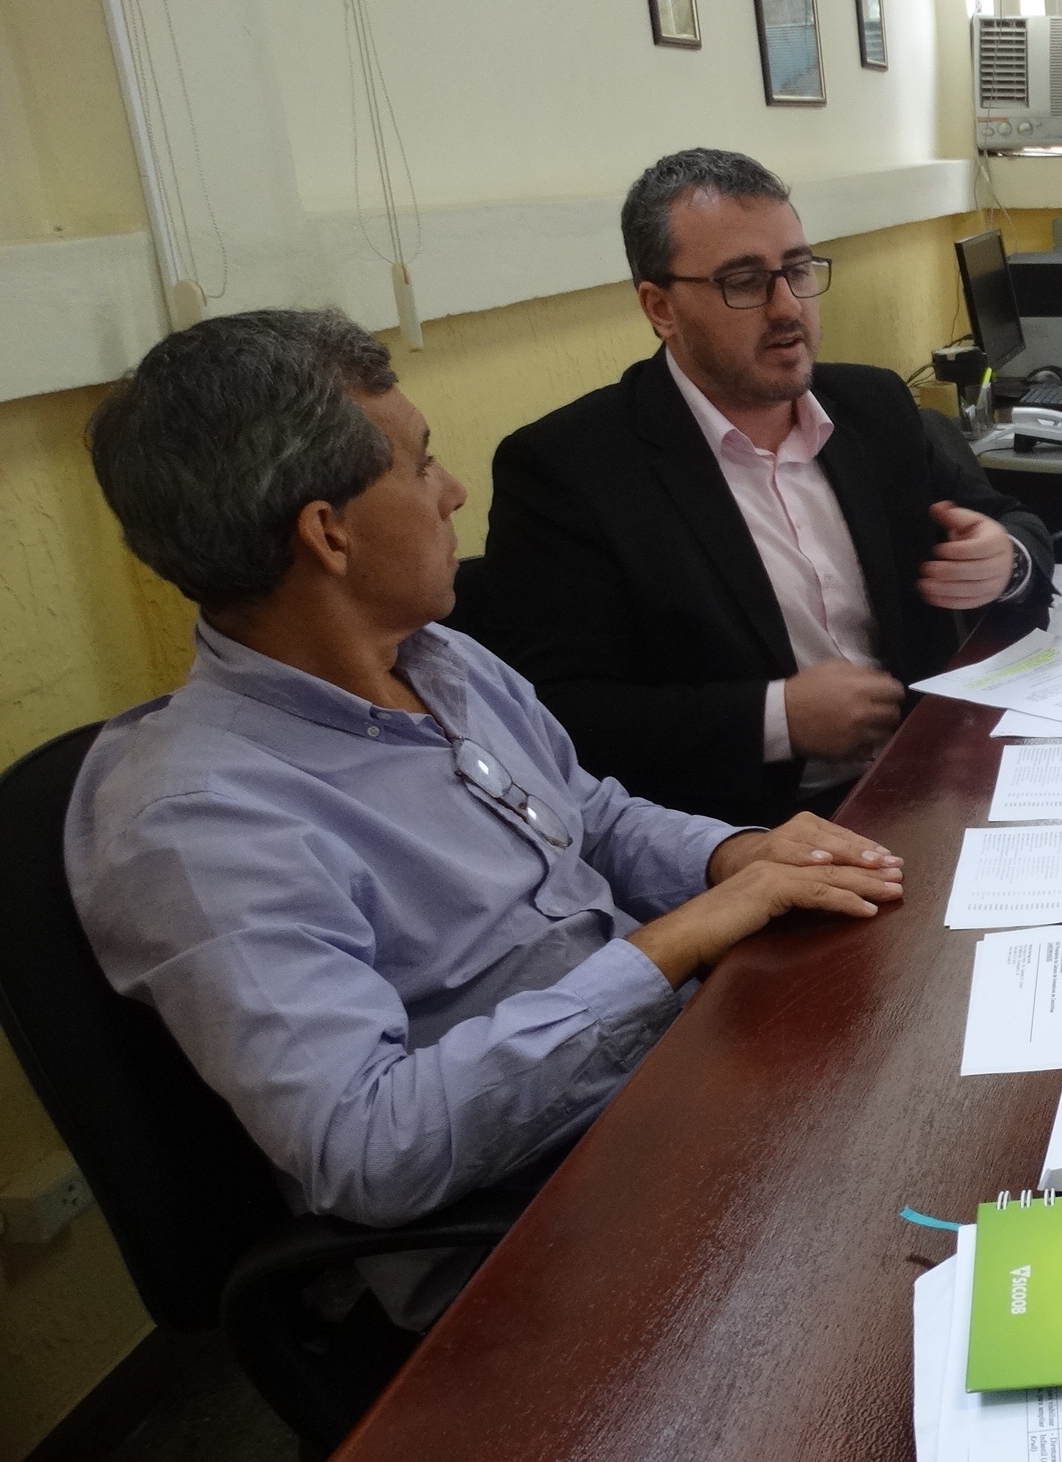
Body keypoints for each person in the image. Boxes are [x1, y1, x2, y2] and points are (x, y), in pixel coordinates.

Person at [69, 310, 907, 1324]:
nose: (453, 492)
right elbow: (369, 1150)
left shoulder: (440, 658)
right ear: (326, 534)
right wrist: (674, 945)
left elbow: (587, 817)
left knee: (940, 1088)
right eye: (422, 468)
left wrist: (740, 854)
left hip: (676, 1099)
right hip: (535, 1235)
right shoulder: (197, 821)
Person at [471, 148, 1055, 826]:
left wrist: (1003, 557)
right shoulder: (570, 469)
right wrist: (777, 718)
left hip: (930, 782)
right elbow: (556, 713)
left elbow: (1012, 523)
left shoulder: (874, 406)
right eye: (744, 282)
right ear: (660, 307)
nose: (787, 308)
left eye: (799, 271)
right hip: (748, 835)